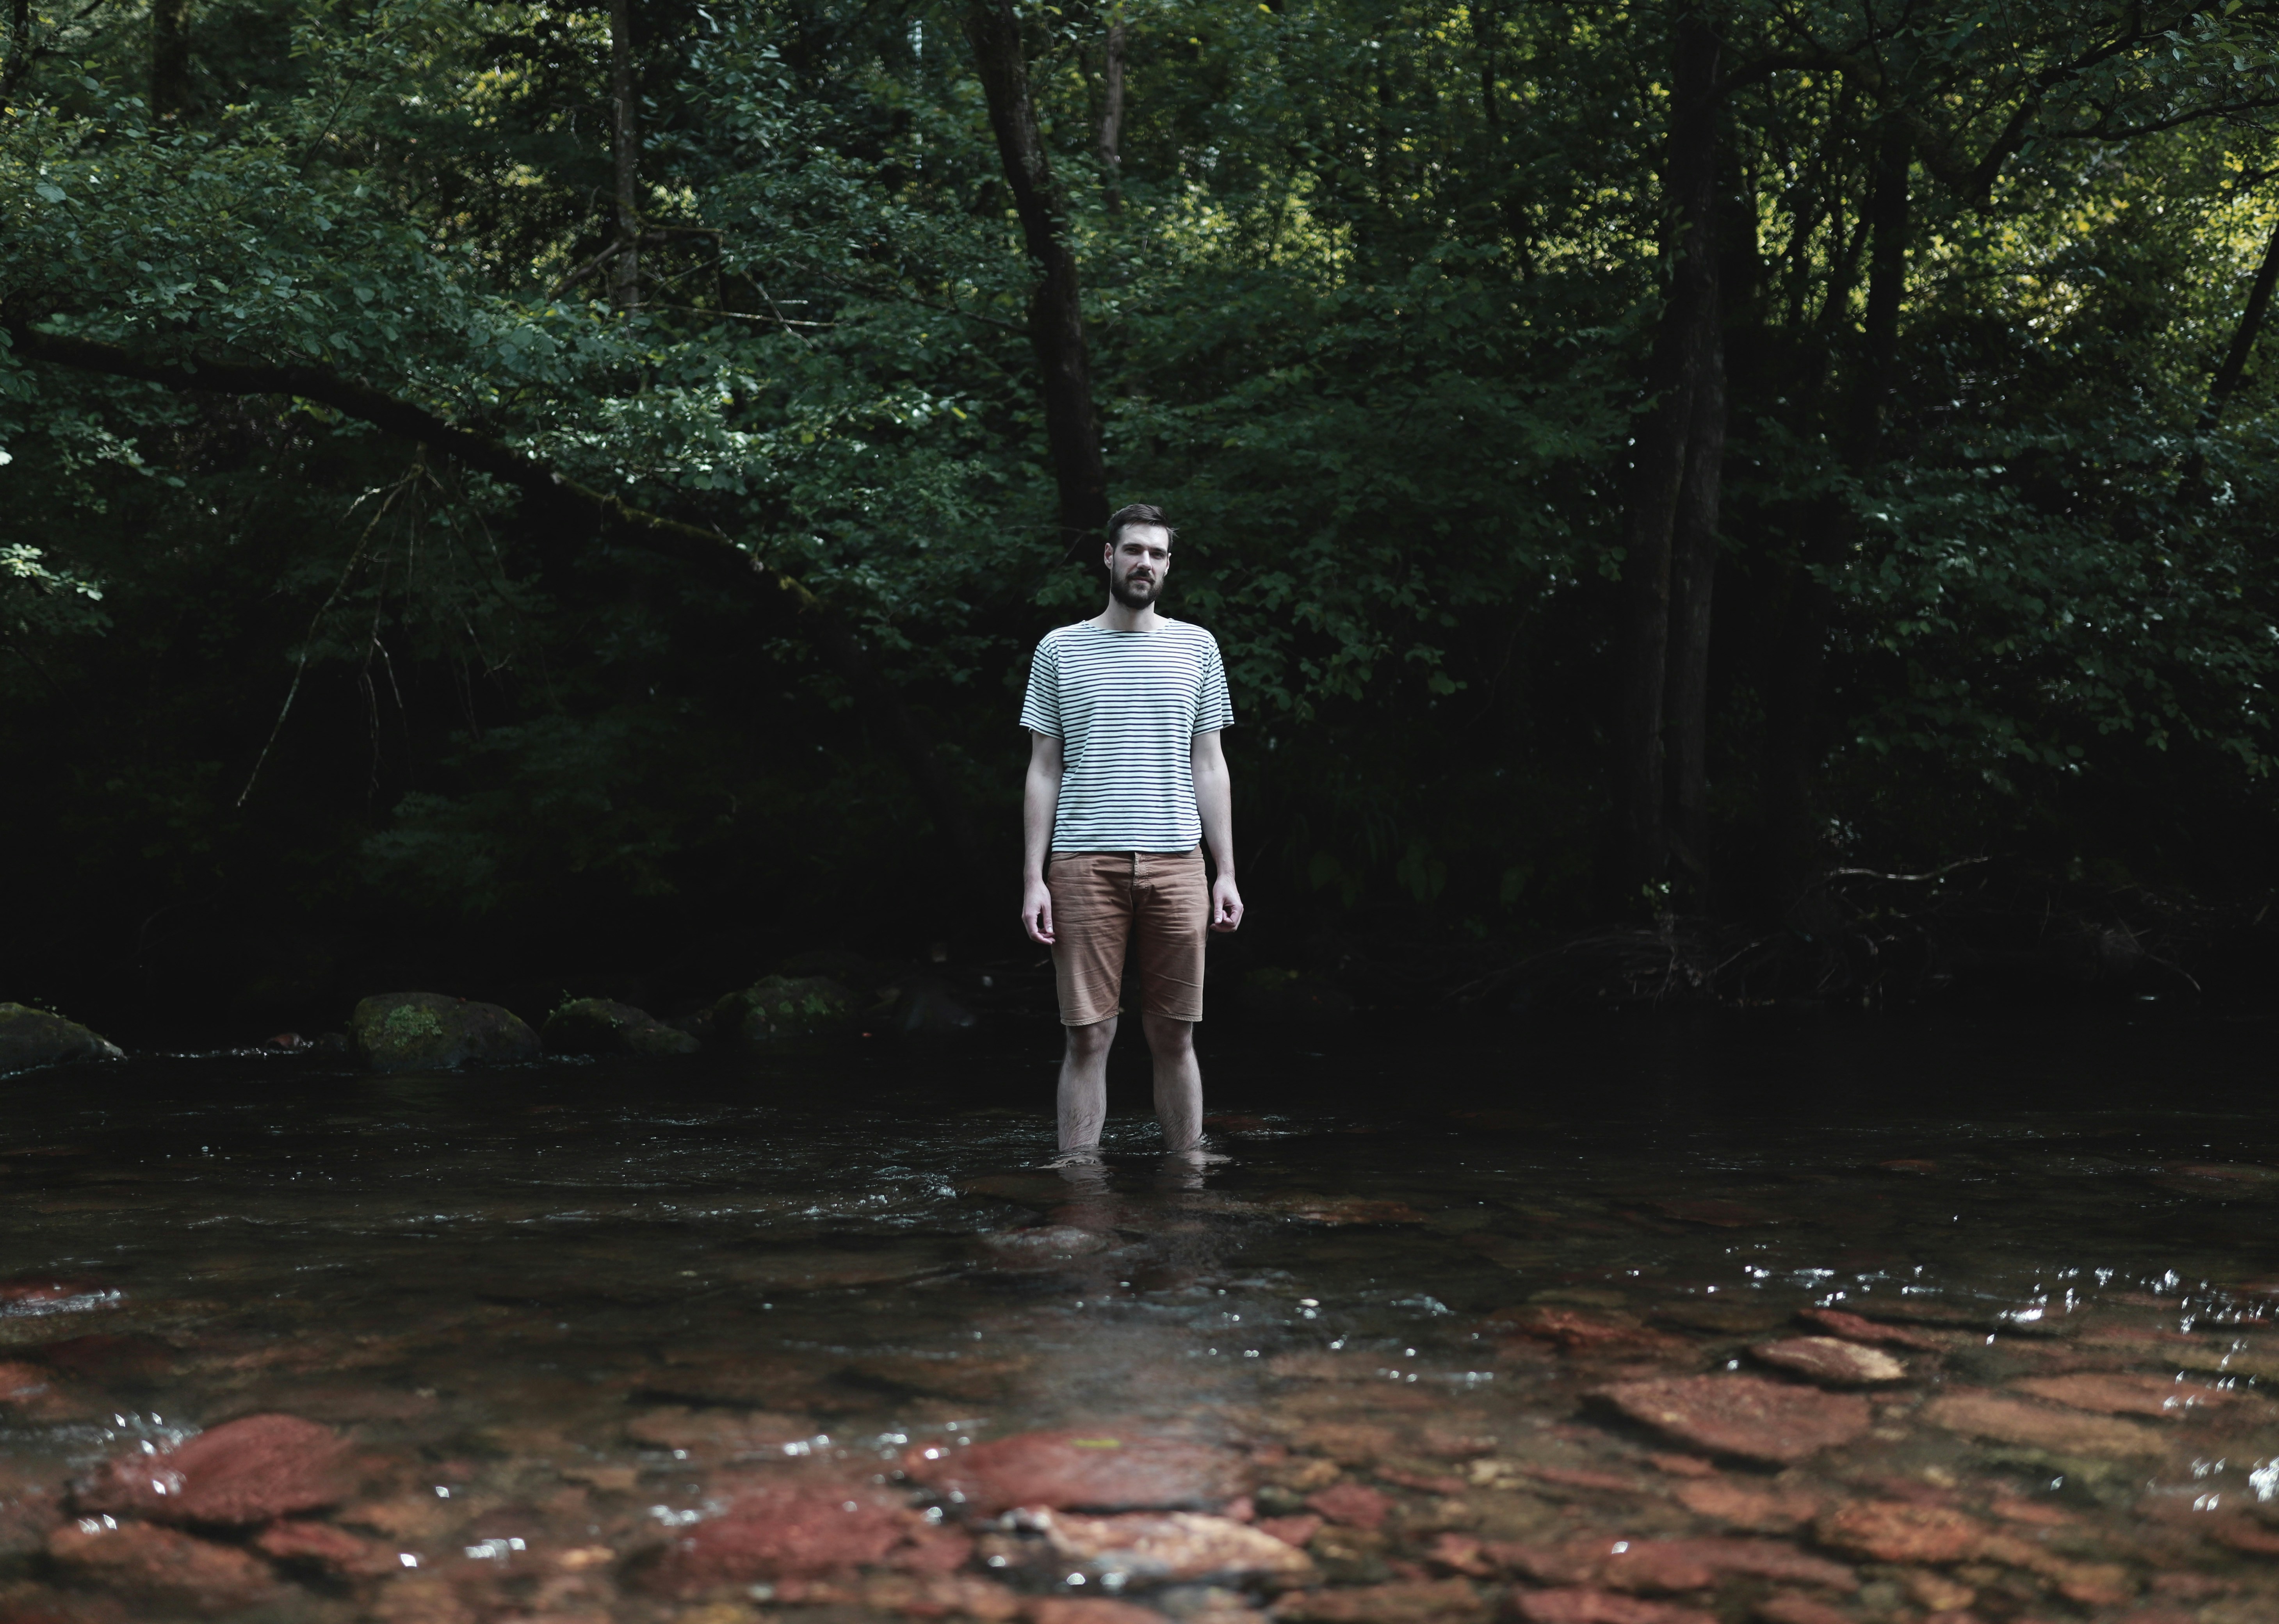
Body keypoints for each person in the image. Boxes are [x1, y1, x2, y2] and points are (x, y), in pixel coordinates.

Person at [1019, 503, 1242, 1157]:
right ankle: (1080, 1183)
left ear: (1168, 566)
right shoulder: (1060, 648)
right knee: (1087, 1036)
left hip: (1178, 864)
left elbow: (1210, 764)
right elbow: (1042, 770)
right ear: (1108, 558)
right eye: (1133, 550)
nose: (1145, 562)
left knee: (1175, 1035)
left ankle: (1187, 1177)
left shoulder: (1197, 646)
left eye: (1157, 554)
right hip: (1082, 863)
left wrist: (1225, 870)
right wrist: (1032, 878)